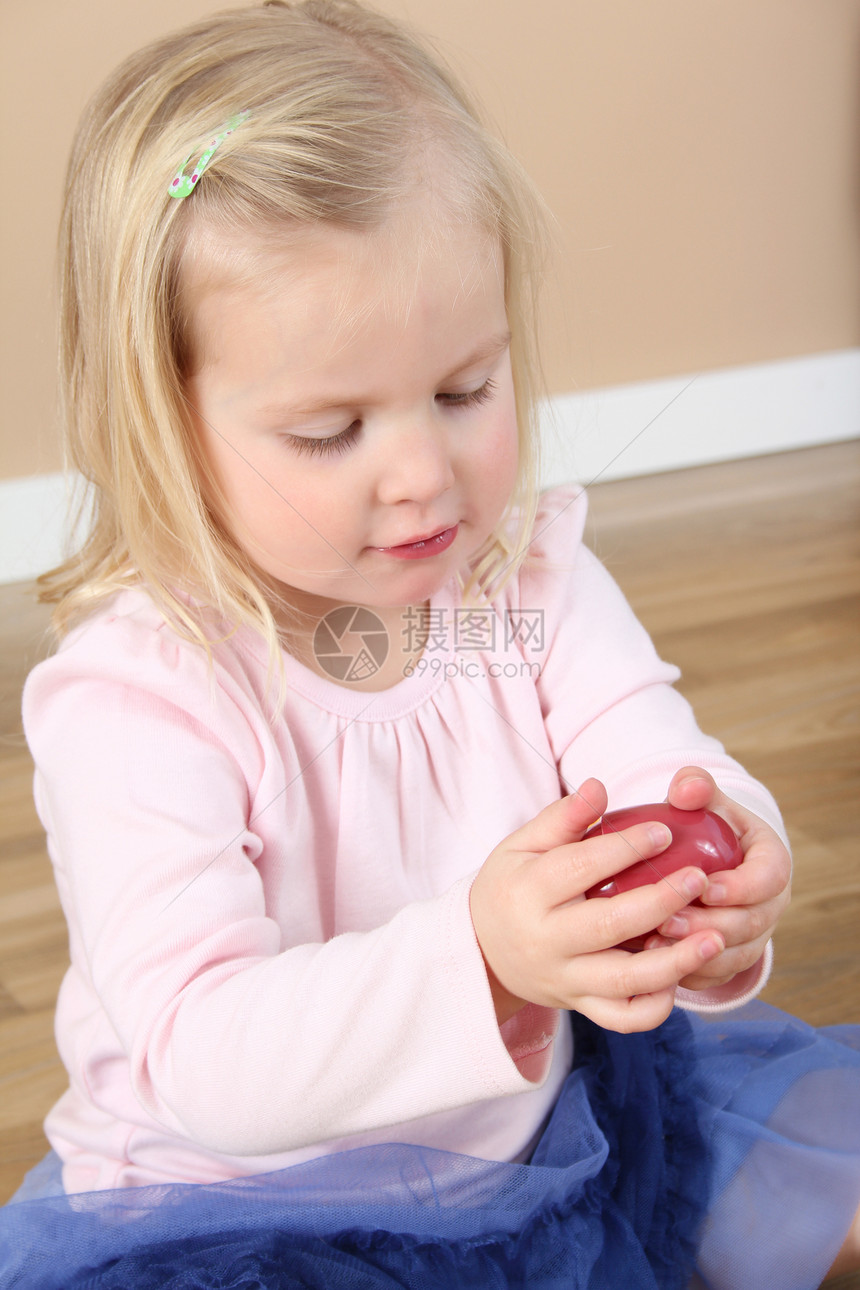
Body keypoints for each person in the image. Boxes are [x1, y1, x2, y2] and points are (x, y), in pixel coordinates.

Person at [3, 2, 858, 1286]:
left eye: (463, 391)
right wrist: (478, 954)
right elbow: (209, 1057)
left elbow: (651, 757)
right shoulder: (137, 697)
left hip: (539, 1132)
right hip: (241, 1210)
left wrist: (723, 874)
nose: (421, 475)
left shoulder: (526, 579)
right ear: (165, 423)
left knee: (800, 1172)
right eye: (328, 431)